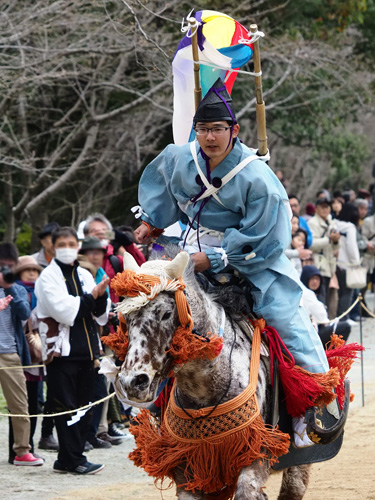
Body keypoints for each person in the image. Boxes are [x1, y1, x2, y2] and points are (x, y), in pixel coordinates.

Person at [133, 78, 330, 446]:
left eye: (218, 129)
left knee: (285, 319)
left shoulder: (259, 178)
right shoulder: (179, 157)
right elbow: (164, 191)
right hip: (186, 253)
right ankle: (146, 404)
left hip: (251, 260)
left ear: (234, 130)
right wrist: (150, 221)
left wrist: (215, 258)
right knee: (150, 311)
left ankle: (313, 404)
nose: (210, 137)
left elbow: (270, 238)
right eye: (203, 129)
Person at [35, 227, 110, 474]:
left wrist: (100, 297)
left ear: (77, 247)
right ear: (54, 247)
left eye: (71, 243)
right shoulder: (47, 277)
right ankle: (74, 459)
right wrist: (94, 296)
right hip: (61, 355)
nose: (67, 248)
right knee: (65, 409)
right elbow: (64, 311)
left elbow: (100, 314)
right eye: (62, 244)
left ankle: (67, 458)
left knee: (84, 407)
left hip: (88, 352)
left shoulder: (84, 274)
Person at [78, 236, 128, 448]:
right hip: (90, 337)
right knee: (93, 388)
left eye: (98, 251)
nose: (95, 255)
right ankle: (90, 433)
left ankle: (100, 430)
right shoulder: (83, 272)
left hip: (105, 333)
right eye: (91, 252)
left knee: (105, 386)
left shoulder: (100, 273)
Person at [0, 243, 43, 466]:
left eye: (9, 267)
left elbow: (24, 314)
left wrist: (7, 287)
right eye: (2, 266)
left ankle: (22, 451)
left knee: (20, 405)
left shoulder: (17, 289)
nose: (5, 270)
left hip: (10, 353)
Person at [83, 214, 146, 303]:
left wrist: (128, 244)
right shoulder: (76, 260)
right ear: (85, 236)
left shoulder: (116, 261)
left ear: (110, 236)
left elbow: (141, 270)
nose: (100, 233)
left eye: (104, 231)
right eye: (94, 231)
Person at [300, 266, 351, 346]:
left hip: (313, 330)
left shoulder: (315, 293)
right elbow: (322, 317)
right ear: (306, 279)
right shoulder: (307, 294)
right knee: (345, 327)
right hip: (311, 335)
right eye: (312, 279)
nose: (315, 282)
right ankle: (331, 356)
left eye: (317, 279)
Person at [308, 198, 341, 307]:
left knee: (327, 296)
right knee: (320, 297)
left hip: (329, 264)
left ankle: (326, 321)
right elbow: (311, 244)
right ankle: (321, 322)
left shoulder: (331, 222)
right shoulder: (312, 223)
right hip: (318, 264)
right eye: (322, 207)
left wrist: (336, 240)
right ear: (316, 208)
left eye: (327, 207)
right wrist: (329, 239)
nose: (325, 209)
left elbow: (336, 247)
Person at [335, 204, 362, 322]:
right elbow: (352, 246)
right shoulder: (350, 227)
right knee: (348, 292)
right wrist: (356, 262)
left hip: (336, 263)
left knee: (339, 292)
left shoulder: (335, 223)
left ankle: (339, 317)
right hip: (348, 264)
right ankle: (344, 318)